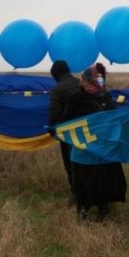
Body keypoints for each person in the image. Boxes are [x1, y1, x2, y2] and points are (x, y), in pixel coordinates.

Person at [63, 63, 127, 221]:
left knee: (103, 180)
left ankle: (103, 209)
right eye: (93, 79)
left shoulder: (105, 97)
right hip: (84, 151)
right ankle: (83, 212)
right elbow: (66, 122)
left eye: (100, 79)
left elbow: (112, 118)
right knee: (85, 182)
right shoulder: (76, 99)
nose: (97, 82)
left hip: (104, 150)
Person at [48, 60, 81, 206]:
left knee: (71, 165)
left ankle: (76, 195)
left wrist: (52, 130)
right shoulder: (82, 84)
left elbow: (54, 114)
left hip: (67, 134)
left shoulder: (57, 89)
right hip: (87, 132)